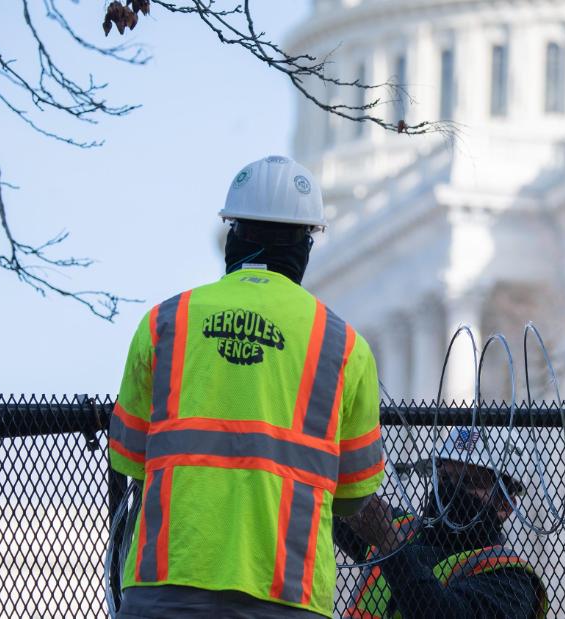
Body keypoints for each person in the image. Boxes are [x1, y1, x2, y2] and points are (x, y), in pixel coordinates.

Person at [107, 155, 385, 618]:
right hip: (287, 592)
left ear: (233, 233)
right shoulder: (343, 345)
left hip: (167, 582)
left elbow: (129, 454)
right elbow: (355, 492)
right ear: (306, 244)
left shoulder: (165, 321)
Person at [336, 427, 548, 619]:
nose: (450, 491)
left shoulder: (510, 579)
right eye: (445, 478)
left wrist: (391, 544)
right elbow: (325, 501)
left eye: (468, 482)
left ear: (504, 506)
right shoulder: (399, 527)